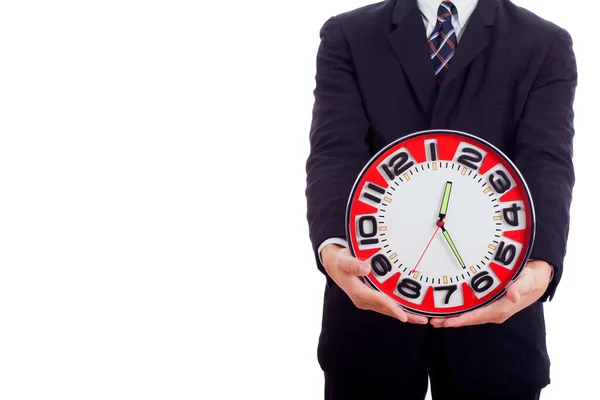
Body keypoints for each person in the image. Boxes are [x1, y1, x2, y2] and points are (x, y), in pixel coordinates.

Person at [305, 0, 577, 398]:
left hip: (498, 318)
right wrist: (332, 249)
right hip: (369, 311)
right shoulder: (347, 36)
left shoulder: (544, 43)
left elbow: (548, 164)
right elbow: (335, 151)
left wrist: (540, 267)